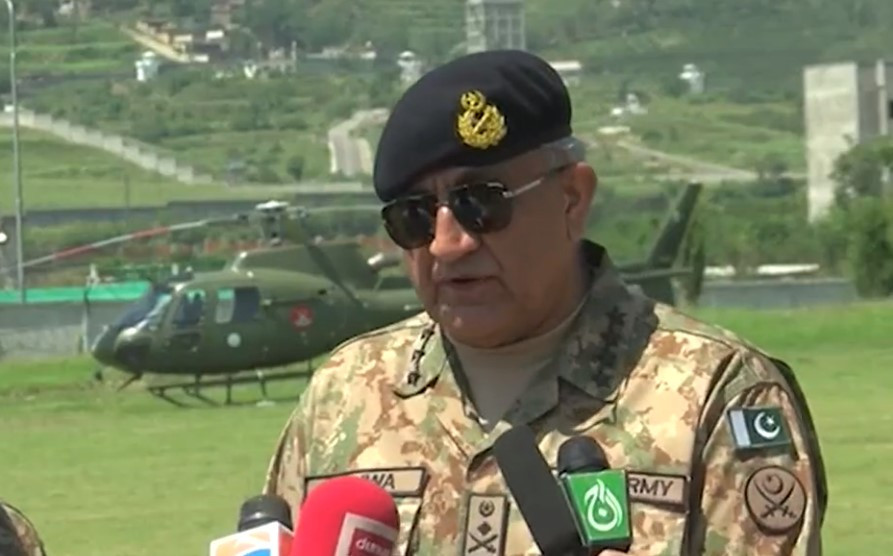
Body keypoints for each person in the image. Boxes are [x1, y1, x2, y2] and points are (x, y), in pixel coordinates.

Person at [262, 49, 827, 554]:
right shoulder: (345, 393)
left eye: (481, 203)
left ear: (571, 198)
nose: (446, 242)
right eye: (412, 216)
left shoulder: (713, 393)